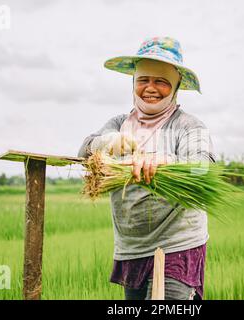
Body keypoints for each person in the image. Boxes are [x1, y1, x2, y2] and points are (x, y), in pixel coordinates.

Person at [78, 37, 215, 300]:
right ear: (133, 84)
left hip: (177, 245)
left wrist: (165, 161)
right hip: (131, 247)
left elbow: (202, 168)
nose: (150, 88)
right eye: (143, 80)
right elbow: (84, 149)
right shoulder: (119, 123)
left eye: (161, 81)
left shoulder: (189, 126)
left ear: (175, 87)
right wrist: (107, 143)